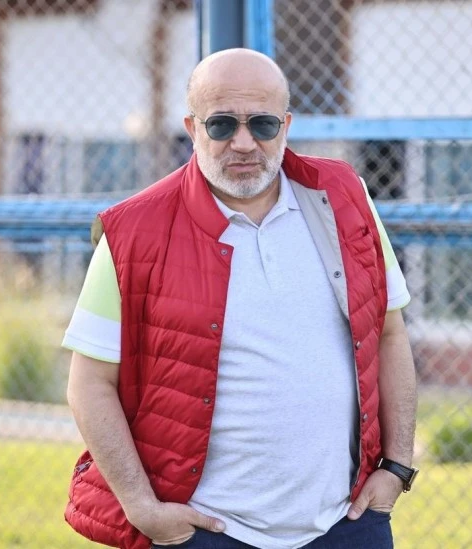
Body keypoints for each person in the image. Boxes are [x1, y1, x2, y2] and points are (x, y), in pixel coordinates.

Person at [62, 48, 417, 549]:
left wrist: (397, 467)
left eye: (263, 124)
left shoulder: (345, 197)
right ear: (192, 128)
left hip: (348, 522)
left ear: (286, 126)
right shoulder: (134, 231)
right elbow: (89, 384)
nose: (244, 143)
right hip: (206, 533)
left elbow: (391, 333)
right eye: (222, 124)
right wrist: (142, 508)